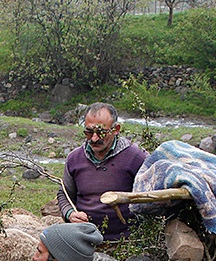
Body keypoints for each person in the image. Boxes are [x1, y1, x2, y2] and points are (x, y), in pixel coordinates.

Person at [56, 102, 148, 241]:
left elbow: (150, 198)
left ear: (116, 129)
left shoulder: (136, 157)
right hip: (84, 238)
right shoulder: (74, 159)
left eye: (101, 132)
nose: (94, 138)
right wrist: (70, 213)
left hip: (126, 241)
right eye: (89, 132)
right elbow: (64, 193)